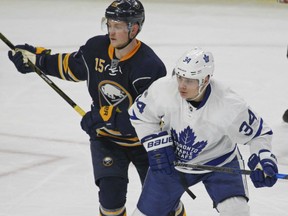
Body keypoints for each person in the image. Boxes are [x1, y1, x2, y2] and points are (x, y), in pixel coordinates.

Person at [8, 1, 168, 215]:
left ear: (135, 28)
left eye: (118, 26)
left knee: (164, 206)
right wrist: (36, 60)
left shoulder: (149, 67)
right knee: (111, 204)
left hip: (147, 145)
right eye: (109, 24)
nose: (111, 31)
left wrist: (106, 117)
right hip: (107, 140)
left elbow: (149, 118)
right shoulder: (96, 49)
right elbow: (69, 66)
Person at [128, 47, 279, 216]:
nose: (182, 86)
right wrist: (155, 144)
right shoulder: (163, 89)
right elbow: (139, 115)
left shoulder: (229, 105)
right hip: (172, 164)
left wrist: (263, 159)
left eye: (190, 80)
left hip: (219, 163)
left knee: (237, 211)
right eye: (179, 77)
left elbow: (259, 134)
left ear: (206, 79)